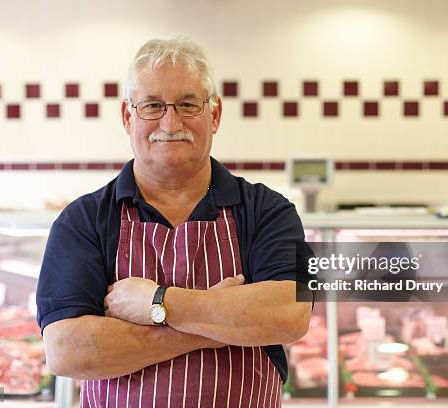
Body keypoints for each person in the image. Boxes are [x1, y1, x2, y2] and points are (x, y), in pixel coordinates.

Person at [37, 37, 312, 407]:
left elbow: (290, 315)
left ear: (214, 115)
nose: (170, 121)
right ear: (127, 116)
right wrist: (218, 323)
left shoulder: (267, 210)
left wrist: (156, 302)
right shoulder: (83, 220)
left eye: (187, 104)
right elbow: (67, 351)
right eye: (152, 105)